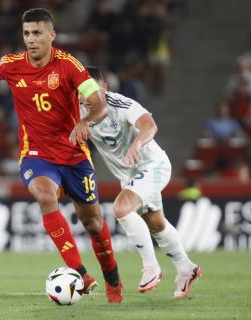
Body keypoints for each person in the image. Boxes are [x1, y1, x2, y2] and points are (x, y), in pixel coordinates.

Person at [0, 8, 123, 303]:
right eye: (26, 33)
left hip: (73, 155)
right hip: (36, 154)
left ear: (51, 35)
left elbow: (99, 104)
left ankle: (113, 282)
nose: (31, 40)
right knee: (45, 196)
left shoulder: (69, 66)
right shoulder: (13, 64)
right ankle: (80, 274)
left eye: (37, 33)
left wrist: (85, 122)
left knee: (94, 224)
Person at [80, 66, 202, 298]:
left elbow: (149, 125)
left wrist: (136, 143)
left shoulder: (121, 104)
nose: (86, 98)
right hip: (131, 176)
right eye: (81, 92)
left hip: (152, 165)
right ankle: (187, 268)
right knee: (156, 224)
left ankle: (151, 267)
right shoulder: (78, 111)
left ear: (104, 88)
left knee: (121, 208)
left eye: (91, 91)